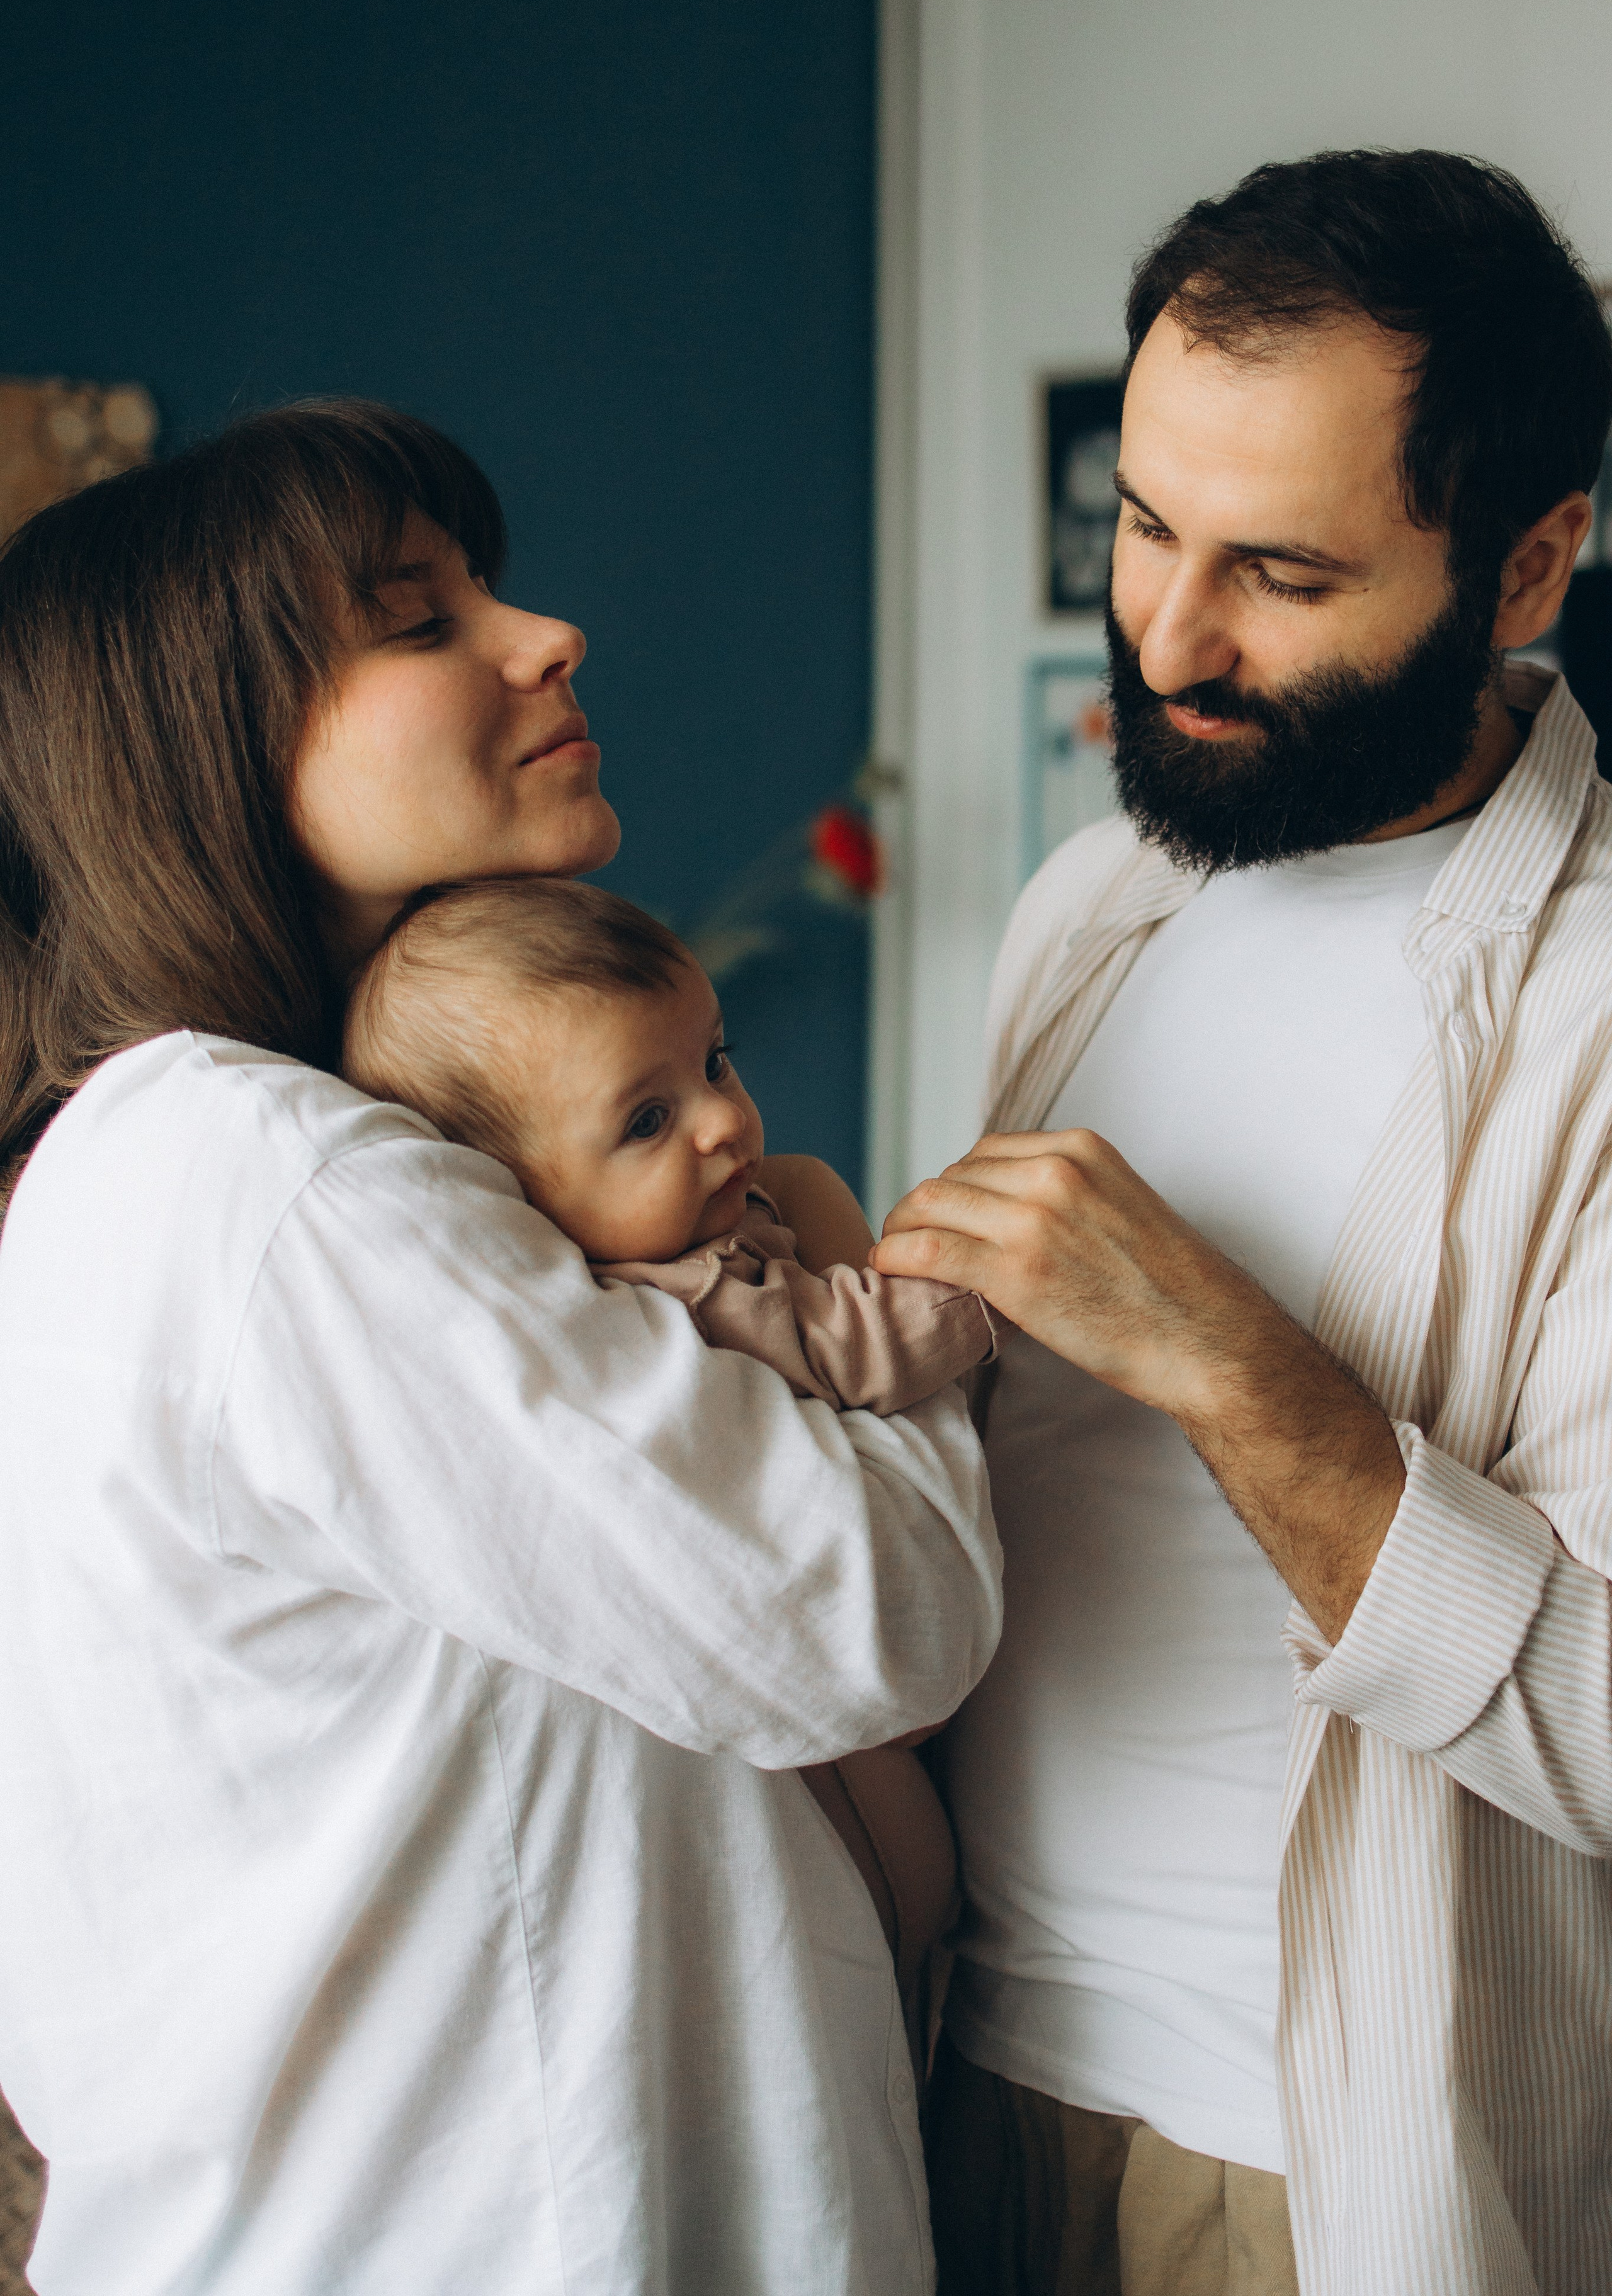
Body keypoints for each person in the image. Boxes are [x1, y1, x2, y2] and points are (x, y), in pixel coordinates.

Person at [0, 402, 1003, 2296]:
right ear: (210, 751)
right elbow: (877, 1614)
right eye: (415, 619)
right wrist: (837, 1259)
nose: (548, 636)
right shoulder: (271, 1177)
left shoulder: (157, 1163)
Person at [873, 150, 1612, 2295]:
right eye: (1141, 524)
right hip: (957, 2073)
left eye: (1281, 572)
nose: (1167, 637)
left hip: (1313, 2162)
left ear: (1527, 566)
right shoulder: (1087, 906)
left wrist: (1226, 1357)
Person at [341, 869, 1004, 2045]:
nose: (723, 1120)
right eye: (645, 1121)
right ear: (522, 1202)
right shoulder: (680, 1298)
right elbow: (852, 1340)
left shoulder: (728, 1224)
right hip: (844, 1779)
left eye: (715, 1061)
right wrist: (974, 1288)